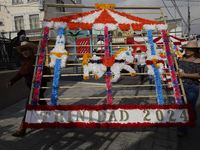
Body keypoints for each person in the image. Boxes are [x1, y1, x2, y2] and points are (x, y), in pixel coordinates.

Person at [6, 41, 51, 137]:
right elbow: (19, 75)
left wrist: (38, 78)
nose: (24, 52)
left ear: (31, 50)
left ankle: (22, 128)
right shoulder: (24, 63)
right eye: (22, 51)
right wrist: (11, 81)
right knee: (41, 101)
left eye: (26, 50)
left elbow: (42, 70)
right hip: (31, 86)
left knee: (29, 104)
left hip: (39, 85)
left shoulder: (37, 60)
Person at [177, 41, 200, 137]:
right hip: (180, 86)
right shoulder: (180, 59)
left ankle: (192, 119)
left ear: (195, 51)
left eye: (190, 49)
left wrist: (184, 75)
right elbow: (175, 68)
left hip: (192, 87)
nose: (187, 51)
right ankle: (182, 128)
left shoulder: (198, 61)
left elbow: (199, 75)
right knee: (181, 107)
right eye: (186, 49)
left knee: (190, 106)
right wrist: (172, 58)